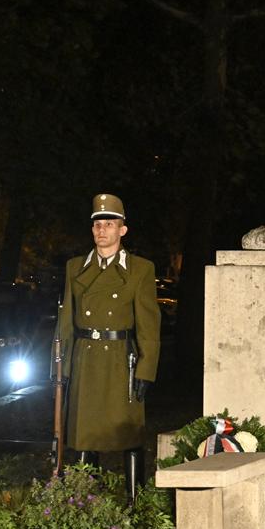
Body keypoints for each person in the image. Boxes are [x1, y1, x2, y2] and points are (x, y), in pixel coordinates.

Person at [57, 194, 161, 503]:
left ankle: (133, 502)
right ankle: (88, 501)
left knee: (128, 434)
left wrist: (146, 369)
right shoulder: (75, 267)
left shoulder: (140, 269)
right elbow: (65, 322)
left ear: (123, 230)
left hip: (120, 360)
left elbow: (148, 324)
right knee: (85, 436)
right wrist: (60, 369)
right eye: (97, 224)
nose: (102, 230)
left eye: (110, 223)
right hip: (85, 359)